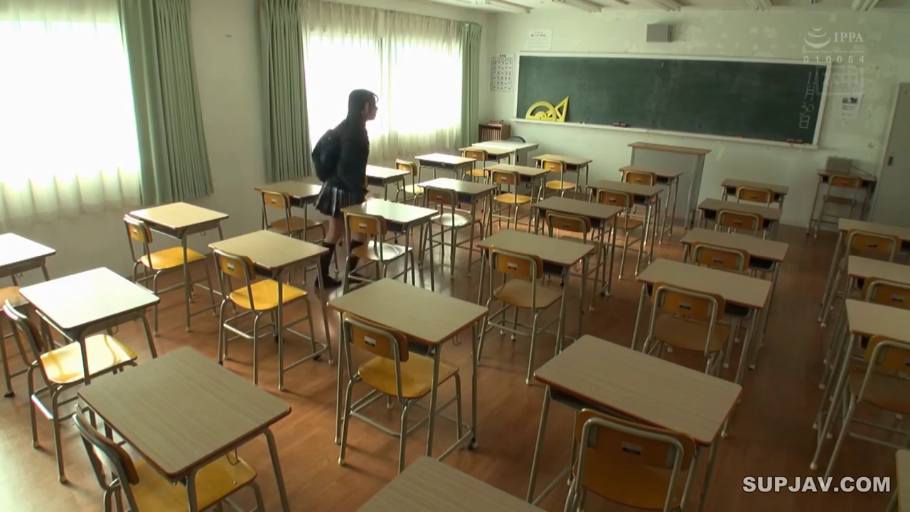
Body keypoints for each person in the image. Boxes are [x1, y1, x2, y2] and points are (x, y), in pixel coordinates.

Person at [314, 89, 378, 288]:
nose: (376, 109)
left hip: (333, 187)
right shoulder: (356, 134)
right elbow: (348, 168)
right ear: (363, 108)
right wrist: (359, 193)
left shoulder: (345, 127)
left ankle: (325, 277)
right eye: (372, 105)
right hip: (345, 190)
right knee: (354, 233)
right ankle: (345, 276)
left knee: (339, 233)